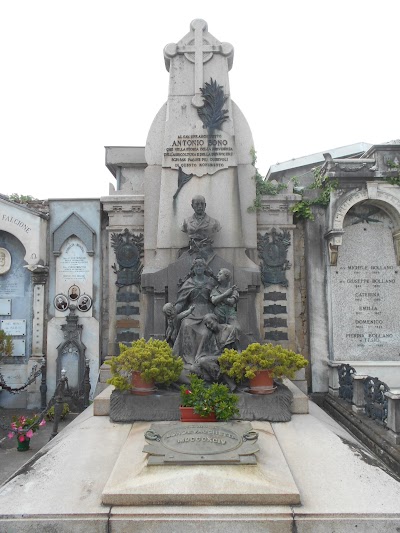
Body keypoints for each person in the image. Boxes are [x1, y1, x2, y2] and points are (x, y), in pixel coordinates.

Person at [172, 257, 216, 365]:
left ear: (204, 268)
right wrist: (174, 311)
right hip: (192, 312)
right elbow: (181, 302)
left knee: (206, 331)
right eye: (196, 266)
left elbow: (216, 298)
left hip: (207, 312)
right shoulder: (188, 283)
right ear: (193, 269)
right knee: (186, 325)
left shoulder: (210, 282)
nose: (199, 268)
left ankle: (203, 359)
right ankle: (188, 359)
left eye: (201, 266)